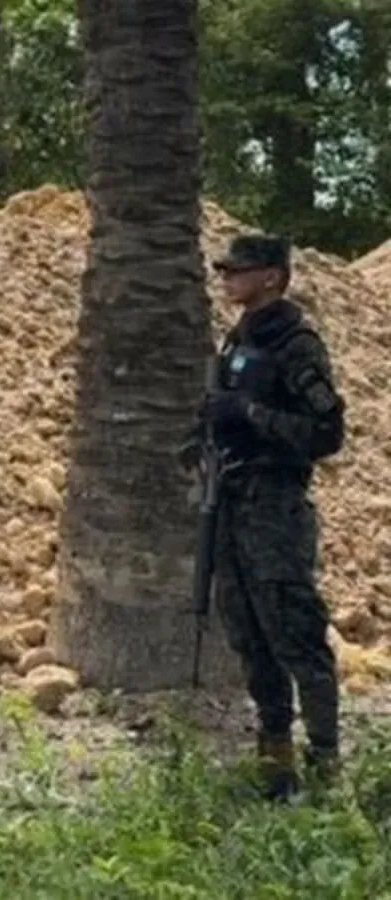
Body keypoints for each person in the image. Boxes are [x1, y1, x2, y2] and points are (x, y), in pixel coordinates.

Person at [178, 233, 346, 801]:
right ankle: (275, 765)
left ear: (272, 276)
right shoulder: (237, 341)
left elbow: (327, 433)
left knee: (295, 631)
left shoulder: (296, 345)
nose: (227, 278)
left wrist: (250, 412)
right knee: (249, 634)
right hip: (230, 499)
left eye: (239, 270)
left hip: (274, 505)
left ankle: (325, 765)